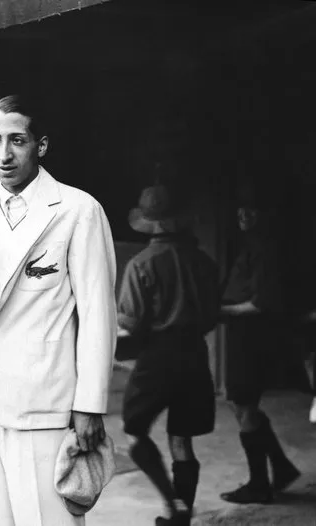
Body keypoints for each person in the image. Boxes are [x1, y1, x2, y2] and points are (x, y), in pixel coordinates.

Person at [0, 94, 117, 526]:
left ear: (41, 145)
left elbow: (98, 315)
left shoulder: (78, 210)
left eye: (16, 140)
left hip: (46, 403)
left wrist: (89, 406)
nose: (3, 154)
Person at [117, 185, 220, 526]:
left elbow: (132, 325)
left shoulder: (141, 264)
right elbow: (210, 316)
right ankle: (183, 517)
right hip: (194, 353)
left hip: (158, 357)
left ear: (150, 223)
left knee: (134, 431)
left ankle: (171, 502)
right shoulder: (204, 262)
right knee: (182, 440)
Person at [219, 196, 301, 504]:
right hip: (242, 338)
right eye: (239, 208)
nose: (243, 215)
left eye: (251, 209)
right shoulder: (250, 244)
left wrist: (219, 310)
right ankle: (281, 468)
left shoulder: (266, 249)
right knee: (238, 405)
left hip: (255, 339)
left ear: (264, 214)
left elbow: (259, 304)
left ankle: (259, 484)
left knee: (246, 407)